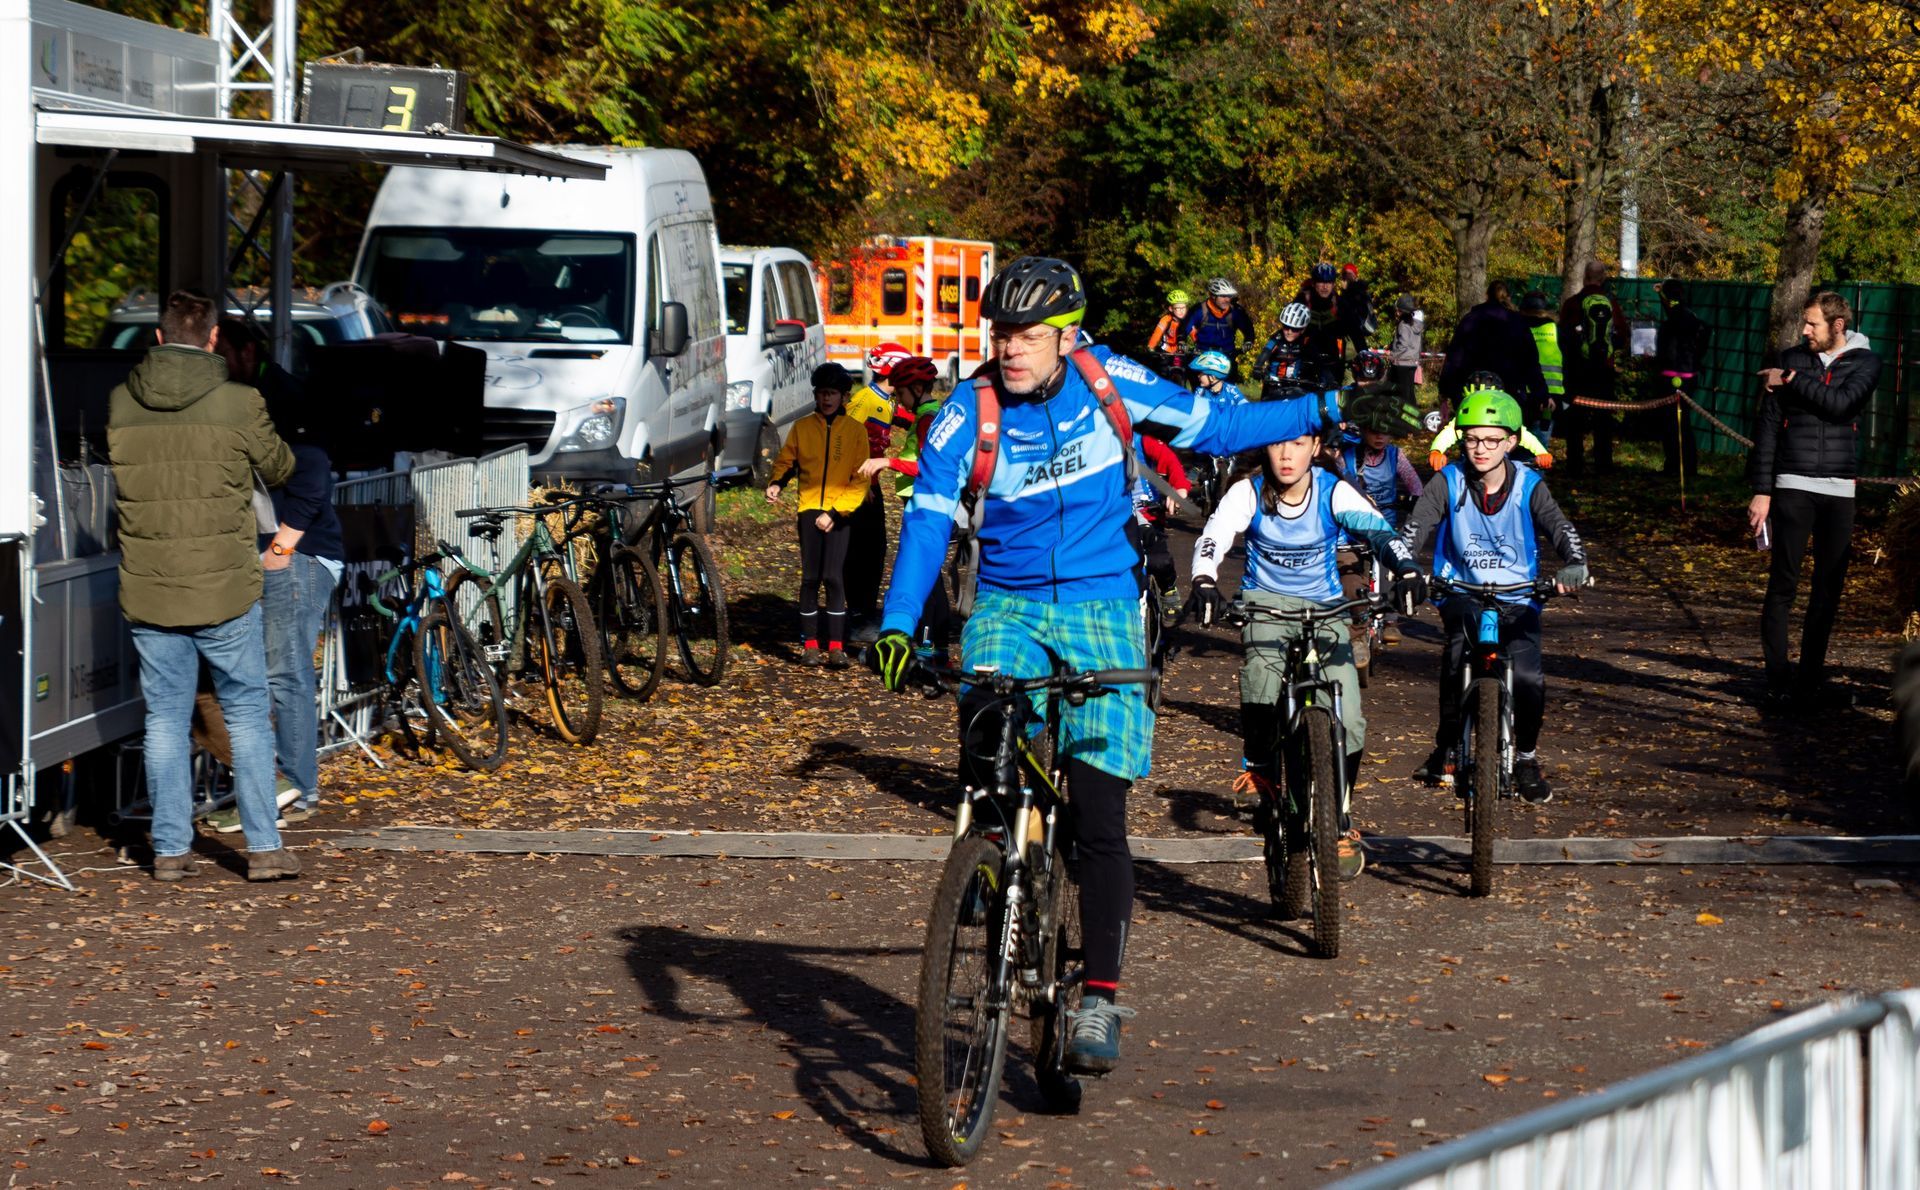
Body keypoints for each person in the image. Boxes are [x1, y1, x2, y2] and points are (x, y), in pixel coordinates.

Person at [870, 255, 1359, 1075]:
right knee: (986, 739)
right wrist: (897, 623)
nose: (1010, 348)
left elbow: (1216, 427)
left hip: (1103, 606)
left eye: (1028, 335)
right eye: (1001, 333)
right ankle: (991, 860)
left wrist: (1323, 406)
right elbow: (925, 519)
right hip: (1009, 607)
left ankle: (1099, 996)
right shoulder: (967, 411)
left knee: (1099, 816)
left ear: (1067, 337)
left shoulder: (1111, 383)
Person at [108, 289, 299, 883]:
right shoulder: (240, 401)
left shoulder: (122, 400)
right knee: (245, 715)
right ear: (214, 338)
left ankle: (169, 850)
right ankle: (263, 849)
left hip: (150, 587)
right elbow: (280, 467)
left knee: (164, 719)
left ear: (159, 336)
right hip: (224, 588)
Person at [1187, 428, 1424, 878]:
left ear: (1315, 448)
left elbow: (1379, 532)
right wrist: (1203, 578)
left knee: (1349, 718)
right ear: (1266, 447)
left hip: (1325, 609)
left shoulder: (1334, 491)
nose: (1287, 455)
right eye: (1278, 443)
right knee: (1260, 680)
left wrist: (1407, 568)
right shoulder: (1248, 491)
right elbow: (1215, 535)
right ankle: (1261, 768)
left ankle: (1339, 819)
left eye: (1298, 444)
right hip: (1266, 605)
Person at [1402, 389, 1588, 804]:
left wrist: (1575, 563)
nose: (1480, 448)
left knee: (1528, 678)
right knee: (1455, 661)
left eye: (1491, 440)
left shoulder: (1529, 485)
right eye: (1471, 439)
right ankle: (1447, 746)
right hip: (1461, 590)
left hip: (1519, 594)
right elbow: (1416, 527)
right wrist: (1406, 569)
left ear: (1511, 442)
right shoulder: (1447, 481)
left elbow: (1560, 528)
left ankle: (1526, 758)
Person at [197, 319, 342, 832]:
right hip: (258, 552)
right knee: (254, 673)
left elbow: (313, 475)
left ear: (246, 351)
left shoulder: (282, 397)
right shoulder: (237, 396)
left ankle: (297, 790)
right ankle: (276, 785)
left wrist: (281, 547)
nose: (214, 366)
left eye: (221, 355)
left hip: (295, 553)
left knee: (284, 672)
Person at [1748, 292, 1883, 709]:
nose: (1804, 330)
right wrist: (1762, 490)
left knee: (1828, 589)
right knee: (1782, 583)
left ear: (1837, 325)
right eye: (1804, 323)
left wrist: (1790, 379)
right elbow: (1768, 428)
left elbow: (1841, 405)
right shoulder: (1791, 357)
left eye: (1813, 324)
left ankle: (1809, 681)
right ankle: (1777, 678)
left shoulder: (1865, 362)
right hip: (1793, 484)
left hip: (1840, 490)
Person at [766, 364, 869, 667]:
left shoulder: (856, 431)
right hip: (809, 509)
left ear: (844, 396)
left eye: (832, 393)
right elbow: (787, 461)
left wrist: (835, 512)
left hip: (840, 511)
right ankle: (810, 645)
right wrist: (776, 483)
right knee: (810, 577)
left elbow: (860, 479)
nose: (826, 399)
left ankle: (836, 647)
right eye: (822, 393)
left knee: (833, 577)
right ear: (815, 395)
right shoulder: (802, 427)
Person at [856, 356, 950, 654]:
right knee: (931, 574)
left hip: (925, 500)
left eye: (901, 393)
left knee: (926, 574)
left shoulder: (927, 419)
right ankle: (936, 645)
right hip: (920, 498)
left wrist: (888, 462)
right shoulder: (927, 413)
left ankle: (929, 644)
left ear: (918, 389)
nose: (898, 399)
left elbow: (927, 466)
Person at [843, 345, 918, 641]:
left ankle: (865, 613)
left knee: (876, 550)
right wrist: (857, 485)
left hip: (871, 484)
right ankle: (857, 619)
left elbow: (905, 416)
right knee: (861, 553)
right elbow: (843, 441)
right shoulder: (864, 400)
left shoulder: (886, 401)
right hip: (858, 487)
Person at [1339, 408, 1425, 644]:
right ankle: (1357, 618)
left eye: (1385, 432)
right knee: (1350, 569)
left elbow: (1415, 486)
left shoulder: (1396, 456)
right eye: (1373, 431)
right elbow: (1335, 481)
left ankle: (1390, 620)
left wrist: (1414, 502)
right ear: (1363, 430)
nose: (1379, 437)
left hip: (1385, 525)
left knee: (1391, 565)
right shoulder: (1347, 455)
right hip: (1353, 527)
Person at [1438, 281, 1546, 424]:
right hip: (1509, 392)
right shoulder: (1517, 322)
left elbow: (1454, 358)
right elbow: (1530, 362)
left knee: (1472, 430)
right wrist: (1541, 394)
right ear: (1508, 297)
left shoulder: (1470, 320)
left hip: (1472, 390)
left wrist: (1445, 391)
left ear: (1486, 296)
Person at [1559, 261, 1628, 474]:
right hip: (1604, 370)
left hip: (1578, 370)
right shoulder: (1611, 303)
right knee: (1603, 418)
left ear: (1584, 277)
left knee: (1575, 418)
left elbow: (1563, 336)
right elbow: (1623, 335)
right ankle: (1603, 463)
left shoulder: (1573, 303)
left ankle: (1575, 463)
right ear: (1603, 278)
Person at [1429, 373, 1555, 471]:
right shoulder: (1463, 419)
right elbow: (1449, 433)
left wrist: (1541, 453)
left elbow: (1522, 435)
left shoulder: (1505, 417)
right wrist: (1436, 451)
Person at [1654, 279, 1713, 477]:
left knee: (1671, 424)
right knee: (1683, 422)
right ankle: (1688, 466)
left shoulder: (1670, 323)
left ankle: (1674, 466)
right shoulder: (1692, 318)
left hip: (1670, 377)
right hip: (1689, 376)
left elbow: (1664, 351)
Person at [1177, 277, 1257, 372]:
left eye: (1229, 296)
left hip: (1227, 356)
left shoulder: (1236, 311)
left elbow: (1248, 328)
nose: (1227, 300)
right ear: (1213, 296)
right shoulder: (1199, 310)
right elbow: (1184, 327)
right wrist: (1181, 341)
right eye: (1223, 296)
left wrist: (1248, 341)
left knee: (1230, 379)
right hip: (1202, 356)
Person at [1519, 292, 1564, 446]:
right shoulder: (1555, 329)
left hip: (1521, 394)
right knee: (1539, 445)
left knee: (1517, 441)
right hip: (1550, 397)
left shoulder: (1516, 327)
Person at [1254, 302, 1314, 386]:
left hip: (1296, 385)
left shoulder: (1306, 340)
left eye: (1294, 329)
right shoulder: (1277, 337)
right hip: (1273, 383)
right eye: (1286, 327)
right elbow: (1266, 351)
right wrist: (1257, 367)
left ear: (1302, 329)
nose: (1289, 332)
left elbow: (1318, 360)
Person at [1388, 293, 1426, 416]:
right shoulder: (1416, 324)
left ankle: (1405, 417)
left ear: (1401, 311)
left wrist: (1393, 355)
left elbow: (1403, 344)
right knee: (1410, 392)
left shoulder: (1403, 325)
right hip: (1412, 362)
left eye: (1398, 310)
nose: (1396, 313)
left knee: (1403, 394)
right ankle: (1415, 416)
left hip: (1401, 362)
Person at [1147, 288, 1192, 369]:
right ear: (1171, 309)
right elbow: (1157, 334)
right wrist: (1151, 347)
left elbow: (1195, 334)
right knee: (1162, 371)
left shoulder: (1188, 320)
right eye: (1178, 308)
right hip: (1166, 351)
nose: (1181, 311)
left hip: (1181, 352)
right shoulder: (1166, 320)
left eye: (1183, 308)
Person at [1339, 263, 1376, 352]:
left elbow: (1347, 308)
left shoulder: (1357, 291)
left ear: (1354, 275)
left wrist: (1344, 291)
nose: (1346, 277)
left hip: (1356, 328)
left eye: (1349, 274)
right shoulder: (1354, 290)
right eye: (1344, 274)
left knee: (1359, 352)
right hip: (1352, 331)